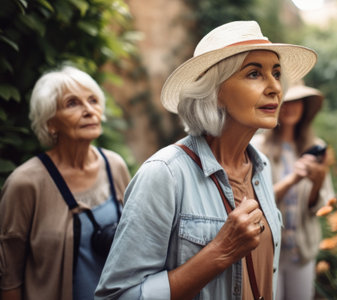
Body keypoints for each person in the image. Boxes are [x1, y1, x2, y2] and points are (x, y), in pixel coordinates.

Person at [95, 20, 317, 300]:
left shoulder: (261, 166)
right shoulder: (165, 174)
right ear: (215, 92)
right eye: (254, 74)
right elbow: (116, 296)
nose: (275, 87)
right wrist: (219, 252)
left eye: (276, 73)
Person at [0, 66, 131, 300]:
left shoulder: (115, 165)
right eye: (72, 103)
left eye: (93, 100)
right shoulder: (25, 183)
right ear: (50, 123)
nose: (89, 110)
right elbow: (9, 277)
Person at [252, 81, 335, 300]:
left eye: (297, 100)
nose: (290, 106)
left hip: (302, 251)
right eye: (285, 101)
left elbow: (325, 205)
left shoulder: (316, 146)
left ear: (305, 106)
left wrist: (317, 181)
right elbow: (253, 200)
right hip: (267, 253)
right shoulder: (257, 147)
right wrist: (293, 179)